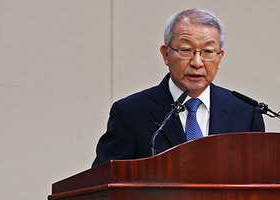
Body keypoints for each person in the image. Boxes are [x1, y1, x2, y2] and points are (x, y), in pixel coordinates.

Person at [92, 7, 265, 166]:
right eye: (186, 50)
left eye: (208, 52)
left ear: (220, 57)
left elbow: (260, 180)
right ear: (165, 54)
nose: (197, 62)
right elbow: (105, 182)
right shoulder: (131, 113)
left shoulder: (246, 114)